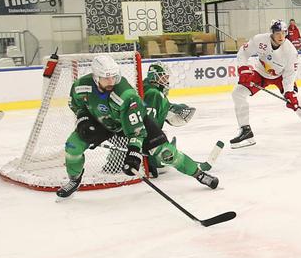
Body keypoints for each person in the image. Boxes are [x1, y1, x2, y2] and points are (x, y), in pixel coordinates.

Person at [56, 56, 218, 199]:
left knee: (166, 154)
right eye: (107, 78)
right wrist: (83, 118)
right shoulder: (80, 86)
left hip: (135, 121)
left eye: (114, 77)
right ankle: (74, 180)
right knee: (72, 146)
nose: (112, 81)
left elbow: (137, 130)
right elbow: (76, 105)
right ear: (95, 76)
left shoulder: (126, 95)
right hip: (103, 122)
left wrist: (134, 153)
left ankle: (199, 174)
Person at [230, 20, 301, 148]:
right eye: (278, 33)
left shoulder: (290, 51)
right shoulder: (259, 40)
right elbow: (243, 52)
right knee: (237, 93)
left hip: (281, 76)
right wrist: (243, 68)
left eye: (284, 33)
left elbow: (290, 74)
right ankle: (246, 131)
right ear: (271, 32)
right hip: (261, 73)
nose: (281, 37)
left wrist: (289, 92)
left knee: (295, 100)